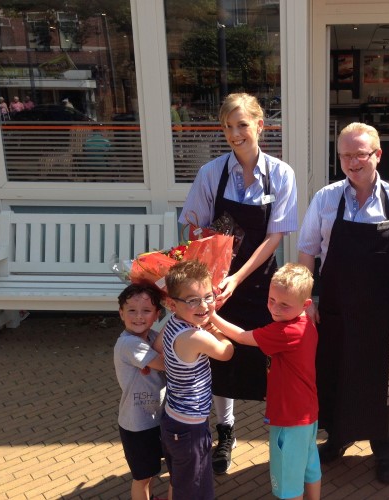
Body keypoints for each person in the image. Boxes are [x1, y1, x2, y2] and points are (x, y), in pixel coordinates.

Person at [297, 122, 389, 485]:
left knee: (383, 384)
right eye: (346, 155)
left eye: (360, 154)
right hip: (334, 312)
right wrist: (307, 300)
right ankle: (337, 439)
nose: (353, 162)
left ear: (377, 155)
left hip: (380, 316)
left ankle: (385, 450)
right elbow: (306, 252)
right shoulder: (325, 199)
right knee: (335, 376)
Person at [180, 92, 298, 474]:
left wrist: (237, 276)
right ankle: (225, 431)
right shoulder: (211, 173)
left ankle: (281, 432)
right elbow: (192, 224)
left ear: (260, 125)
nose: (235, 134)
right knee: (220, 357)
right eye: (228, 126)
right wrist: (211, 270)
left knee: (270, 359)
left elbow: (275, 236)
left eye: (242, 125)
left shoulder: (281, 174)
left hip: (263, 283)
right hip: (217, 285)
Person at [210, 263, 321, 500]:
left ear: (305, 305)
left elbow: (241, 337)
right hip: (307, 413)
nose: (275, 309)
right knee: (310, 466)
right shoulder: (305, 322)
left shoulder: (284, 331)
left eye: (284, 304)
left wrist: (211, 317)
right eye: (271, 300)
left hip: (288, 417)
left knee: (287, 481)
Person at [153, 260, 235, 500]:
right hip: (190, 428)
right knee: (196, 488)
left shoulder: (172, 325)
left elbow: (158, 346)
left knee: (181, 480)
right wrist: (215, 328)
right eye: (192, 300)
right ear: (171, 303)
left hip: (173, 421)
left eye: (208, 297)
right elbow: (226, 352)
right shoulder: (194, 336)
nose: (203, 305)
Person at [114, 283, 169, 500]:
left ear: (156, 314)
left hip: (156, 419)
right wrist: (179, 317)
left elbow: (164, 343)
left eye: (146, 311)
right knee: (142, 477)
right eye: (132, 311)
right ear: (121, 313)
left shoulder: (151, 336)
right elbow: (165, 363)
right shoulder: (129, 344)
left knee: (152, 471)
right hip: (137, 425)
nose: (139, 317)